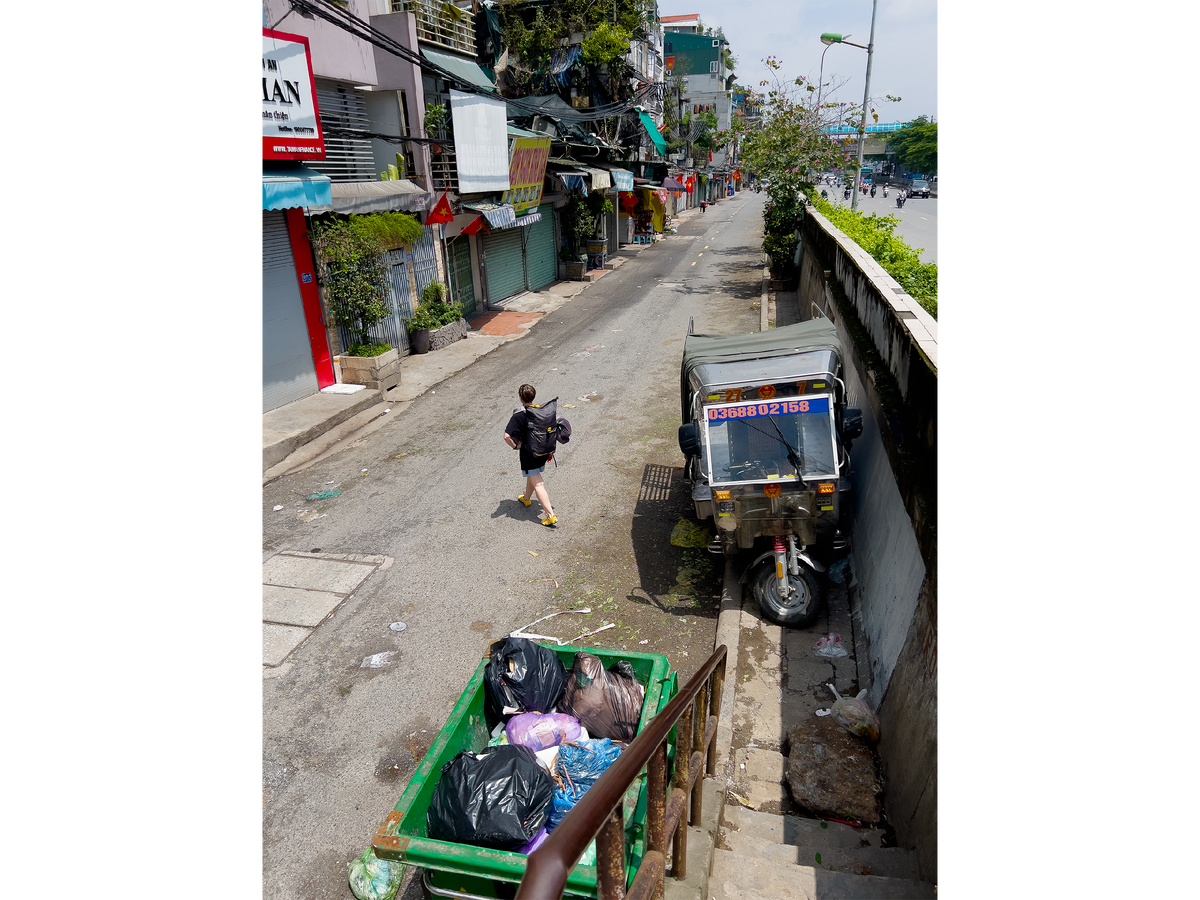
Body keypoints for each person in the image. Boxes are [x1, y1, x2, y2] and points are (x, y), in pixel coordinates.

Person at [504, 383, 557, 527]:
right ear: (533, 397)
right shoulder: (540, 411)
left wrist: (516, 446)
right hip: (543, 452)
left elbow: (507, 436)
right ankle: (526, 498)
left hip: (529, 454)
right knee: (532, 477)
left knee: (538, 484)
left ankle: (550, 515)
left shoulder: (519, 415)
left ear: (521, 398)